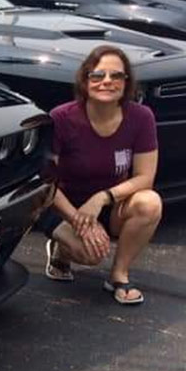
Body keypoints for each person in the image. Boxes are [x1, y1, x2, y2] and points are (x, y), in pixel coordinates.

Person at [36, 45, 163, 304]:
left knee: (150, 203)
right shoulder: (62, 118)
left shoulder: (141, 117)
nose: (107, 81)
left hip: (106, 204)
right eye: (98, 75)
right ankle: (61, 250)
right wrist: (77, 219)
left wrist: (102, 198)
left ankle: (119, 274)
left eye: (116, 76)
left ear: (127, 83)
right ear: (85, 80)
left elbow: (144, 177)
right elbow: (46, 181)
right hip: (63, 205)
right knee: (90, 255)